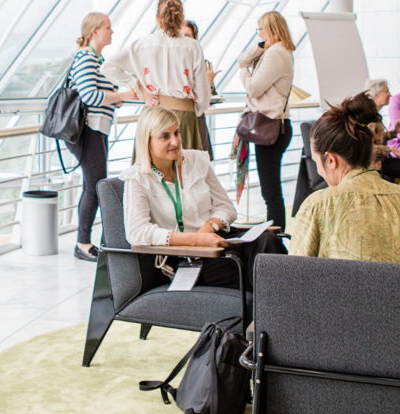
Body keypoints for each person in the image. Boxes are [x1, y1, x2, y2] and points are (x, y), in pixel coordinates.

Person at [121, 107, 285, 288]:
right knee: (250, 266)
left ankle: (282, 311)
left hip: (217, 236)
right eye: (165, 136)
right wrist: (195, 241)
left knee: (269, 241)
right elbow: (136, 232)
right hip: (185, 255)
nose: (175, 141)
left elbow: (226, 207)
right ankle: (279, 311)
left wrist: (207, 229)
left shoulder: (195, 160)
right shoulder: (138, 178)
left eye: (176, 132)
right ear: (147, 141)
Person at [289, 94, 400, 266]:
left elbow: (294, 279)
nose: (318, 170)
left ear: (331, 160)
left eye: (317, 162)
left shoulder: (318, 206)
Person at [67, 13, 140, 262]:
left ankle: (84, 241)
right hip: (88, 129)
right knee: (94, 186)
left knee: (94, 185)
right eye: (108, 28)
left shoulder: (98, 59)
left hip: (97, 128)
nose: (112, 32)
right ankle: (82, 243)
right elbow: (90, 96)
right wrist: (127, 95)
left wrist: (126, 95)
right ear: (95, 31)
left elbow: (106, 99)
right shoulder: (87, 58)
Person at [105, 0, 211, 151]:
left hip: (152, 114)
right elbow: (203, 95)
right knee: (184, 172)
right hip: (184, 115)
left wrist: (138, 86)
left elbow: (107, 67)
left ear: (157, 17)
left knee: (150, 171)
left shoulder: (141, 45)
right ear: (181, 18)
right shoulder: (192, 46)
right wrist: (193, 108)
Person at [236, 12, 296, 231]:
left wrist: (244, 74)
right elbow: (242, 59)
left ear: (271, 29)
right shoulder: (275, 51)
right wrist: (260, 45)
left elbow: (253, 88)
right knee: (271, 191)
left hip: (271, 128)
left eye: (261, 29)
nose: (259, 34)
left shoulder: (276, 54)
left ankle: (276, 242)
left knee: (270, 192)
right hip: (275, 126)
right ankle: (276, 237)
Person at [181, 20, 217, 158]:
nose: (184, 39)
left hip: (197, 122)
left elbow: (210, 99)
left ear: (195, 39)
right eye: (180, 35)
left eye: (187, 35)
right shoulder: (168, 63)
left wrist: (209, 84)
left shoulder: (203, 64)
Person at [364, 78, 400, 183]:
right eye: (386, 91)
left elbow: (379, 139)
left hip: (382, 160)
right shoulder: (366, 117)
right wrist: (391, 149)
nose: (390, 95)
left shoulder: (376, 116)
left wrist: (395, 131)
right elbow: (366, 147)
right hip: (374, 164)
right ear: (376, 94)